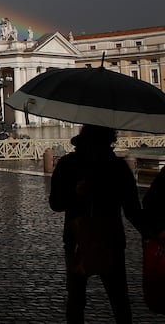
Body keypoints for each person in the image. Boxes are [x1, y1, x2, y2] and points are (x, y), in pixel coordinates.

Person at [49, 125, 144, 323]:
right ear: (110, 139)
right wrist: (150, 233)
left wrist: (74, 196)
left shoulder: (68, 164)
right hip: (108, 240)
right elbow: (133, 211)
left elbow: (56, 203)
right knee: (118, 301)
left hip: (78, 240)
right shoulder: (117, 167)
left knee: (77, 300)